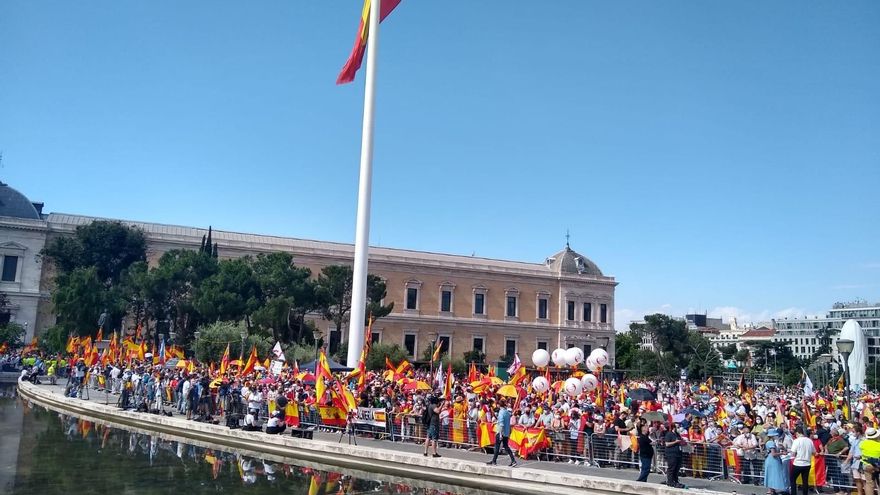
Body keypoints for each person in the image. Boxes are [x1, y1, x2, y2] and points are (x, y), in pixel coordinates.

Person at [486, 399, 517, 467]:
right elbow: (504, 422)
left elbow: (502, 424)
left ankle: (494, 461)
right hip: (506, 432)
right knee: (506, 446)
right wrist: (497, 422)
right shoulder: (507, 412)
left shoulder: (501, 412)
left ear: (499, 405)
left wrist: (500, 434)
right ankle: (513, 460)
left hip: (500, 432)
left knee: (497, 446)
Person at [790, 427, 816, 495]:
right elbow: (814, 452)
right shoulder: (809, 440)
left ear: (797, 433)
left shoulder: (796, 441)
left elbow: (793, 453)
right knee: (805, 481)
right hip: (807, 463)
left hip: (798, 463)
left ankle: (793, 493)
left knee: (792, 479)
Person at [763, 428, 788, 495]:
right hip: (773, 460)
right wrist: (782, 453)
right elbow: (773, 454)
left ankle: (771, 489)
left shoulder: (770, 442)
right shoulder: (771, 443)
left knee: (771, 474)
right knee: (774, 474)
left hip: (770, 460)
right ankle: (771, 490)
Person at [664, 423, 686, 488]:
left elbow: (680, 442)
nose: (679, 428)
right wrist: (675, 442)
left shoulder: (677, 434)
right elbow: (667, 444)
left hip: (678, 453)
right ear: (674, 427)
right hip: (671, 453)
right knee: (671, 468)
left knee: (677, 468)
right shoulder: (669, 434)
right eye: (677, 427)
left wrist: (682, 442)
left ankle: (675, 481)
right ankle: (670, 481)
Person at [861, 427, 880, 495]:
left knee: (869, 483)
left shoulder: (863, 444)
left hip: (866, 465)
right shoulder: (878, 445)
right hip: (877, 465)